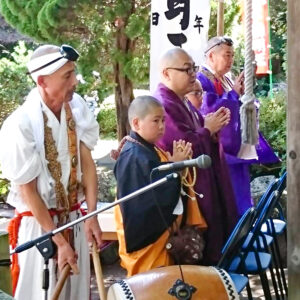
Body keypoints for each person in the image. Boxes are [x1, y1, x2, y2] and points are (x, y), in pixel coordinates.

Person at [0, 44, 102, 300]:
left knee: (75, 294)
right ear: (42, 81)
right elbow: (28, 190)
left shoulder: (77, 107)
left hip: (74, 219)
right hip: (40, 228)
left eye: (73, 73)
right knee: (39, 294)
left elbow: (87, 164)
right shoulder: (20, 124)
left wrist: (91, 216)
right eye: (67, 76)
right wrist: (58, 242)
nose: (75, 81)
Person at [154, 48, 239, 265]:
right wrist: (206, 130)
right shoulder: (164, 104)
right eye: (186, 69)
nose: (193, 73)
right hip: (189, 190)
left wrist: (211, 127)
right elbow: (182, 149)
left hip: (203, 185)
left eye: (194, 68)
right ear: (166, 74)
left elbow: (196, 135)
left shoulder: (181, 101)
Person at [113, 95, 207, 276]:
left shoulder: (148, 149)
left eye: (163, 120)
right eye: (156, 121)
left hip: (160, 241)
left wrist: (176, 165)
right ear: (136, 123)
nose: (162, 126)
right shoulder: (133, 157)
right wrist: (175, 170)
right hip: (147, 242)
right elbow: (144, 204)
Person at [197, 36, 279, 216]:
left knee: (240, 197)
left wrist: (244, 97)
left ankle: (243, 229)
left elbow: (238, 106)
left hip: (234, 151)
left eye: (233, 55)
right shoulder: (201, 80)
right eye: (227, 55)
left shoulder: (226, 79)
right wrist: (233, 94)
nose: (231, 60)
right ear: (211, 56)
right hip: (218, 152)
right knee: (227, 201)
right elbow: (209, 112)